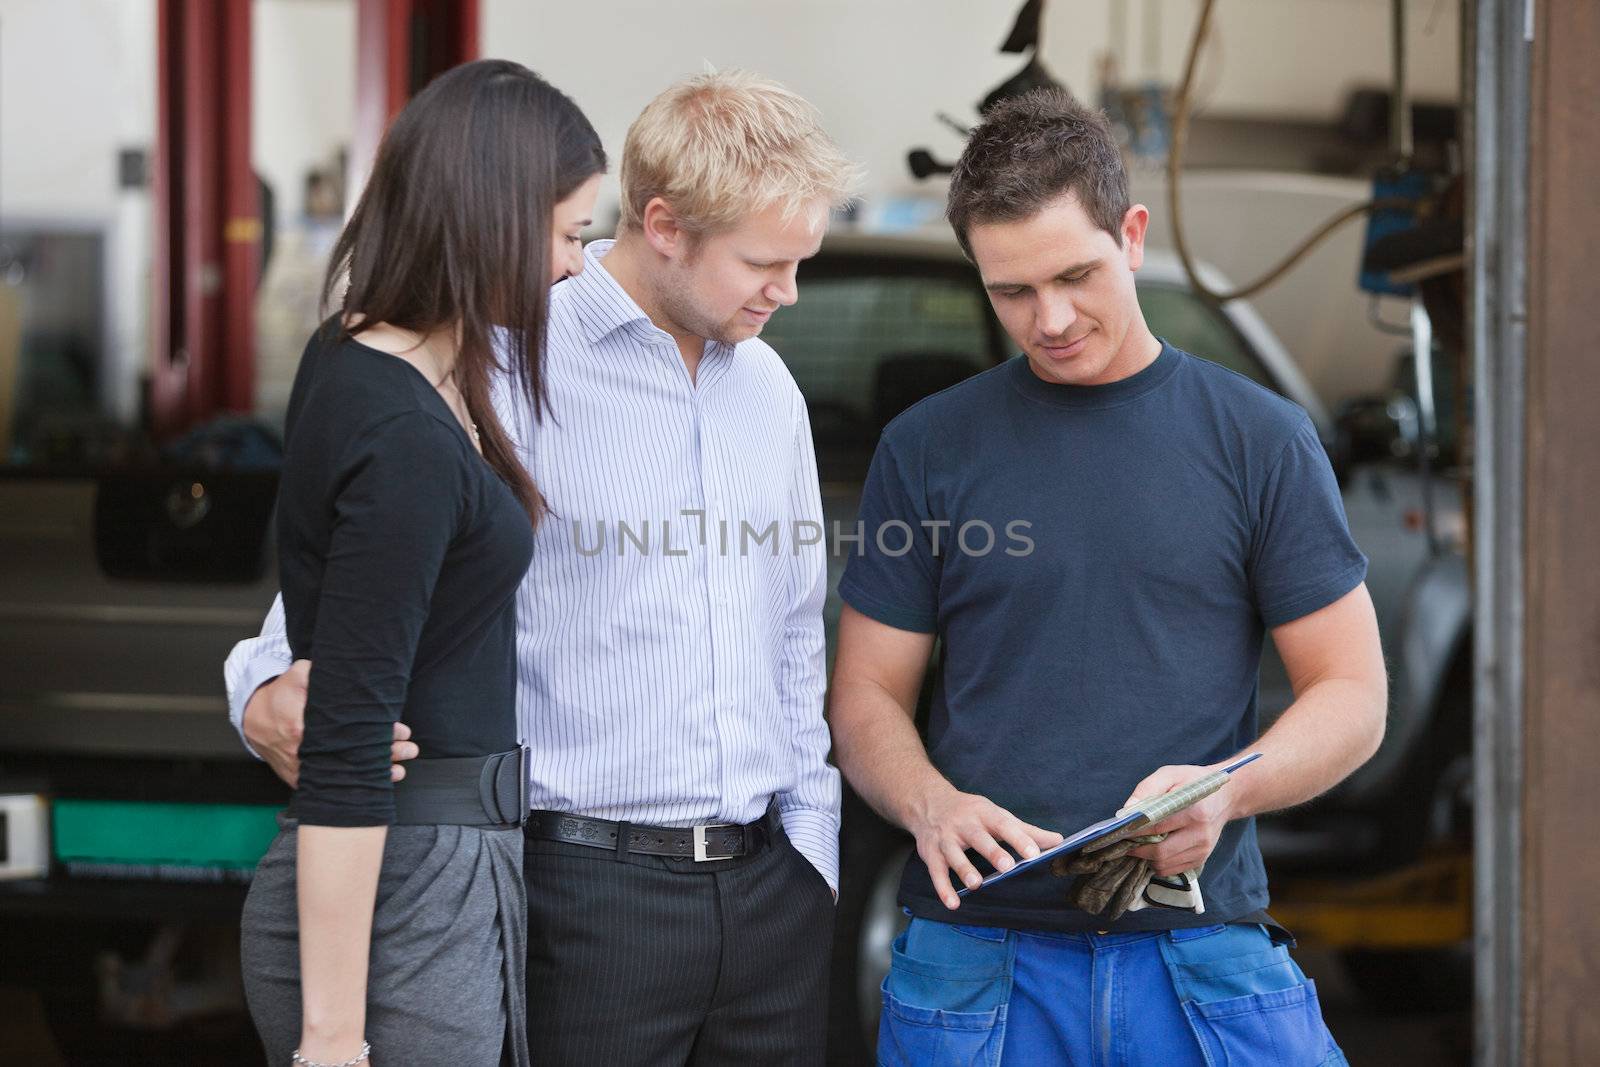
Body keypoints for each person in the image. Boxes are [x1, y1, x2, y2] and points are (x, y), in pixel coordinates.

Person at [226, 70, 861, 1065]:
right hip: (582, 896)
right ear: (662, 224)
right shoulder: (498, 357)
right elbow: (353, 581)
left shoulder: (770, 390)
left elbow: (791, 625)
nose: (787, 292)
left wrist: (810, 851)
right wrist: (262, 683)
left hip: (771, 899)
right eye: (763, 263)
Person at [828, 88, 1387, 1065]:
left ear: (1130, 235)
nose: (1048, 319)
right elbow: (866, 694)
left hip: (1196, 943)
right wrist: (927, 801)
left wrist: (1224, 790)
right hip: (976, 953)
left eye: (1074, 275)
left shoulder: (1258, 440)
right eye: (1010, 291)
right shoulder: (927, 448)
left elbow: (1352, 693)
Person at [236, 60, 604, 1067]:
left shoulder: (386, 365)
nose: (576, 267)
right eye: (570, 232)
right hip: (406, 886)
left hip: (437, 868)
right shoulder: (398, 425)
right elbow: (349, 743)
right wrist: (332, 1041)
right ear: (492, 213)